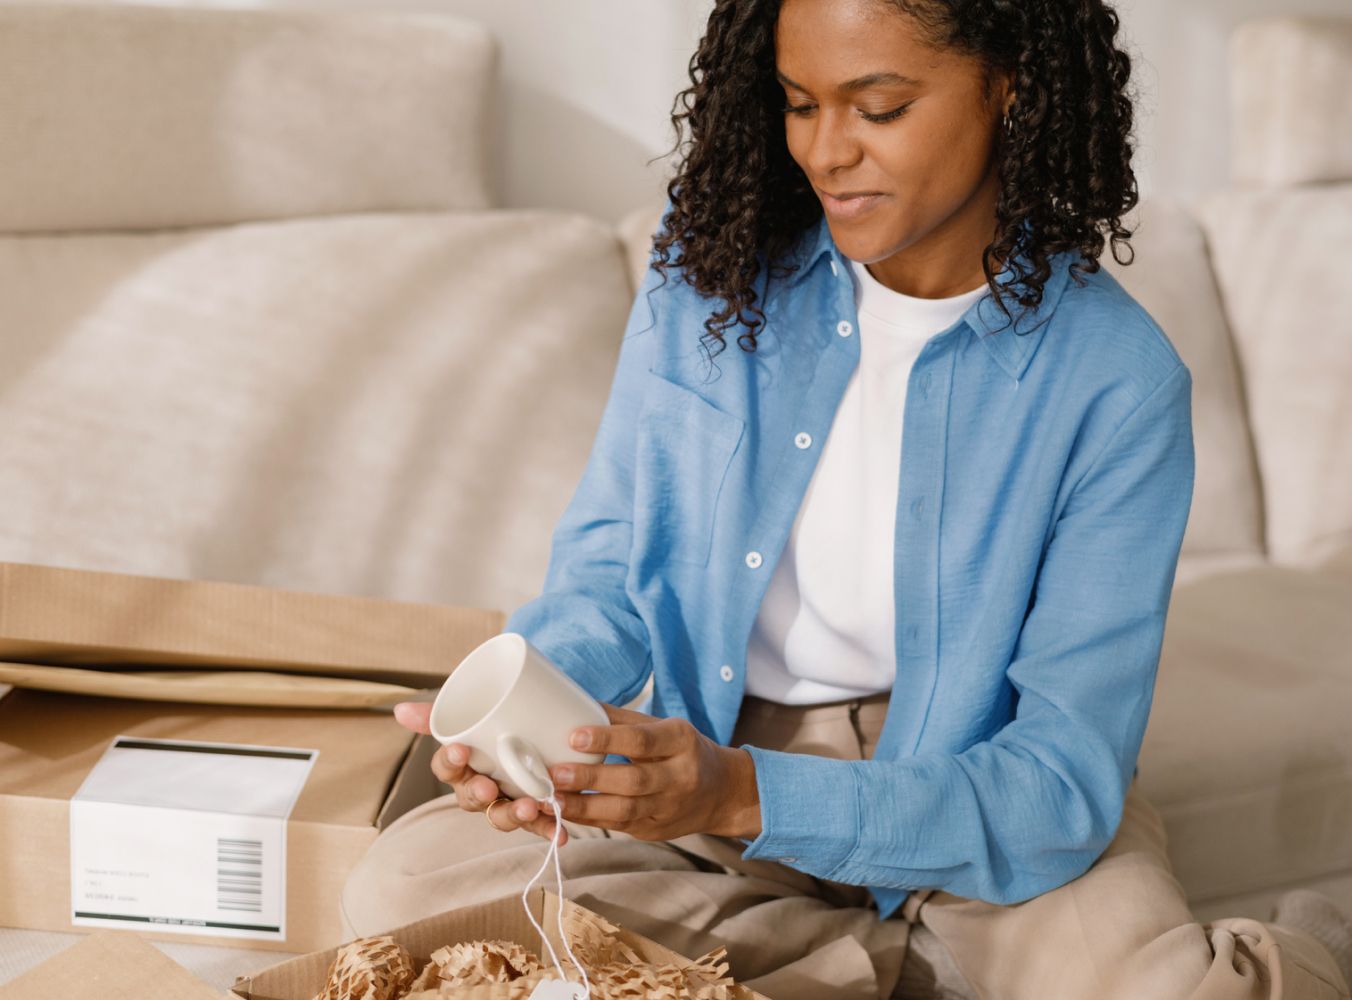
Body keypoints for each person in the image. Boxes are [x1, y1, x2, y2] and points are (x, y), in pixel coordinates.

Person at [342, 1, 1352, 997]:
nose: (825, 152)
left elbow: (1057, 780)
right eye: (796, 104)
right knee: (406, 881)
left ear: (1011, 86)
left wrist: (744, 795)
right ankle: (912, 972)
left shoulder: (1116, 380)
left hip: (970, 788)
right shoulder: (708, 269)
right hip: (717, 753)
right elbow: (611, 571)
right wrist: (532, 725)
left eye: (877, 109)